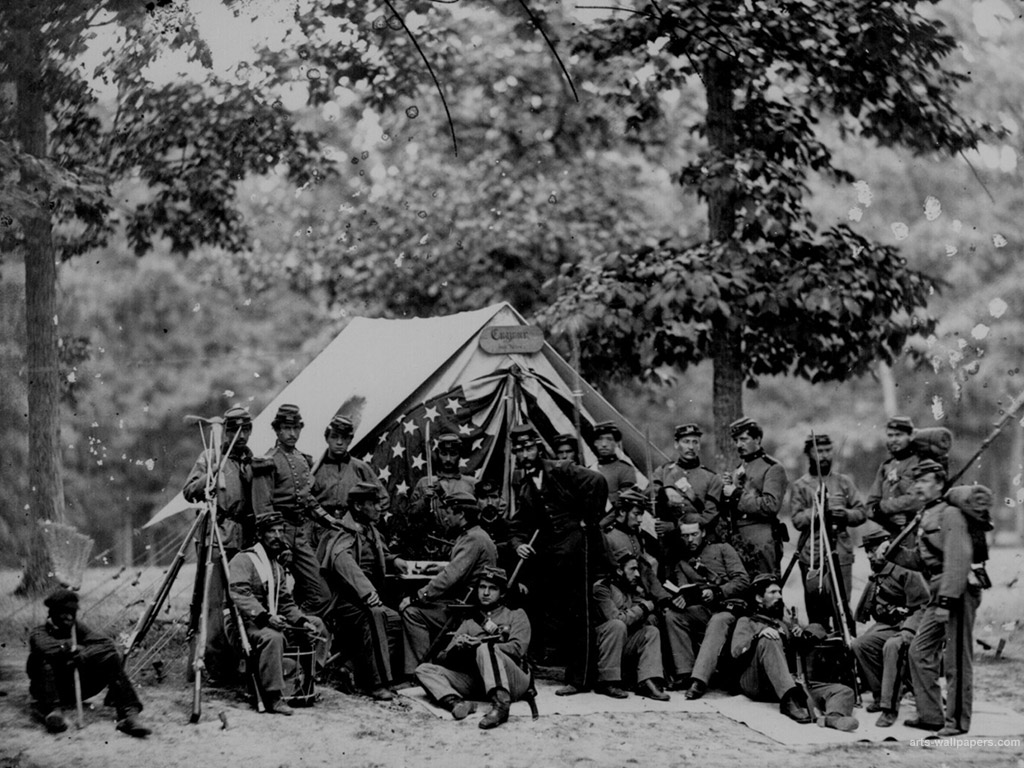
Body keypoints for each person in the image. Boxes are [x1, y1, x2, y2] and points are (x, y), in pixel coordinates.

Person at [507, 423, 609, 695]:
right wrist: (518, 545)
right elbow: (519, 525)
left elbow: (597, 482)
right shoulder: (526, 486)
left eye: (528, 447)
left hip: (580, 547)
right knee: (561, 611)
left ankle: (582, 680)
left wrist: (588, 520)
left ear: (537, 448)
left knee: (582, 612)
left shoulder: (560, 468)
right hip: (555, 555)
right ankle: (566, 670)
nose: (524, 453)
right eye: (519, 449)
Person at [181, 405, 256, 682]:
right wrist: (209, 475)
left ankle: (238, 663)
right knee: (211, 604)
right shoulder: (210, 456)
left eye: (245, 429)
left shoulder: (250, 461)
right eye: (234, 429)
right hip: (215, 536)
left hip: (244, 540)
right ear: (226, 431)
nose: (240, 434)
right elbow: (189, 491)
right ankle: (210, 666)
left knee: (240, 600)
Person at [905, 459, 980, 737]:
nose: (918, 486)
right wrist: (889, 554)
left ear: (939, 484)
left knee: (956, 659)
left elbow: (958, 559)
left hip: (957, 591)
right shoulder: (927, 514)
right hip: (939, 589)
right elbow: (923, 559)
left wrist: (947, 602)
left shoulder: (950, 514)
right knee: (919, 650)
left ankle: (958, 723)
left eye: (924, 481)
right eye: (917, 481)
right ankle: (931, 715)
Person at [228, 512, 329, 715]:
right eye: (271, 532)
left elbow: (285, 602)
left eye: (280, 531)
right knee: (273, 637)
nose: (277, 536)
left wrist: (301, 621)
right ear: (260, 535)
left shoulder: (276, 566)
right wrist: (267, 617)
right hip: (246, 623)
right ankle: (273, 696)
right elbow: (239, 595)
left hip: (271, 619)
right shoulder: (243, 559)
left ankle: (304, 681)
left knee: (316, 624)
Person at [318, 481, 407, 700]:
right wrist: (366, 592)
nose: (379, 508)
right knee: (374, 616)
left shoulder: (369, 529)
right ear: (358, 506)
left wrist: (393, 560)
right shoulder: (344, 530)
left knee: (394, 621)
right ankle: (374, 684)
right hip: (342, 599)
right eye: (374, 503)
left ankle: (349, 668)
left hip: (361, 597)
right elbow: (341, 559)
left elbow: (374, 554)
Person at [414, 566, 533, 729]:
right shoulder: (469, 622)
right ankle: (457, 703)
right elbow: (442, 658)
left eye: (492, 588)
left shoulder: (516, 615)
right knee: (423, 669)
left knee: (485, 648)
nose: (485, 593)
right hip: (479, 682)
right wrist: (458, 648)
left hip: (513, 681)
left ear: (502, 593)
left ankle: (501, 706)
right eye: (482, 587)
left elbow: (518, 649)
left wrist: (482, 645)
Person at [27, 589, 152, 737]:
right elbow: (46, 648)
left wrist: (82, 654)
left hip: (77, 688)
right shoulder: (39, 632)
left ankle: (129, 714)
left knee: (110, 657)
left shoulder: (78, 628)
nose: (69, 617)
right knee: (43, 659)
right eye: (64, 612)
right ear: (52, 613)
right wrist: (71, 648)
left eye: (72, 613)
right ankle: (52, 712)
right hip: (49, 691)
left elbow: (106, 644)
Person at [251, 403, 336, 617]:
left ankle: (296, 626)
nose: (291, 433)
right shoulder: (268, 461)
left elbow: (307, 498)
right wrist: (279, 545)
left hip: (300, 534)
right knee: (275, 595)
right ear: (277, 430)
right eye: (286, 428)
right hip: (277, 536)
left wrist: (327, 519)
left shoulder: (302, 460)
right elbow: (263, 509)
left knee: (322, 595)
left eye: (296, 428)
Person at [400, 491, 498, 674]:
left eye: (447, 512)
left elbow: (450, 578)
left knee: (412, 612)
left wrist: (416, 596)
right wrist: (440, 568)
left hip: (466, 611)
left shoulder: (472, 538)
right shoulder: (475, 535)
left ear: (460, 514)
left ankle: (419, 671)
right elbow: (461, 567)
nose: (444, 517)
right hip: (468, 604)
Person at [850, 523, 929, 728]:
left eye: (871, 550)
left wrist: (908, 630)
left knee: (893, 647)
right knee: (861, 644)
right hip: (890, 624)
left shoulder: (905, 569)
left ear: (886, 547)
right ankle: (879, 695)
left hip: (913, 625)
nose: (868, 555)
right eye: (866, 550)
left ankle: (889, 708)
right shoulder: (879, 569)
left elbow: (923, 605)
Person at [668, 513, 750, 699]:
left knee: (717, 620)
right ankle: (684, 672)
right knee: (673, 615)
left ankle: (699, 680)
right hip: (704, 609)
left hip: (729, 609)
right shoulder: (683, 562)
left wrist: (718, 592)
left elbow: (743, 580)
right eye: (685, 536)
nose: (690, 540)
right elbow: (683, 589)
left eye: (694, 534)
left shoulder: (723, 549)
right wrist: (680, 598)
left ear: (703, 532)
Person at [790, 433, 867, 630]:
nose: (824, 456)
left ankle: (846, 653)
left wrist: (844, 514)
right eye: (819, 451)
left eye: (827, 451)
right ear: (809, 454)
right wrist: (818, 510)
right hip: (812, 555)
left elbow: (861, 512)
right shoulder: (801, 485)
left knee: (842, 606)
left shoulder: (843, 482)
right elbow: (797, 520)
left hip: (840, 551)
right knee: (816, 610)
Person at [730, 574, 813, 724]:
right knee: (769, 638)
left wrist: (797, 636)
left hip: (775, 683)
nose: (779, 596)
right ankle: (788, 700)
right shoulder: (746, 621)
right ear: (759, 598)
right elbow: (736, 652)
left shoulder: (781, 624)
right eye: (773, 592)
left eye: (780, 592)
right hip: (753, 682)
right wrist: (757, 637)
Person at [592, 554, 671, 701]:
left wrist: (646, 607)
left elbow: (640, 610)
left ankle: (647, 681)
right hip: (600, 646)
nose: (637, 574)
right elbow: (616, 618)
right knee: (617, 625)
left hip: (622, 643)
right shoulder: (602, 588)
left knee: (651, 631)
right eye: (632, 569)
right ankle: (607, 681)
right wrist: (643, 607)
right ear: (620, 571)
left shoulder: (630, 588)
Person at [650, 423, 725, 570]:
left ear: (699, 446)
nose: (691, 447)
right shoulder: (663, 471)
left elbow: (709, 517)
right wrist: (665, 491)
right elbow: (648, 497)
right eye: (686, 442)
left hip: (698, 547)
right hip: (669, 547)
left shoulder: (712, 478)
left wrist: (676, 527)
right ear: (677, 444)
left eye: (695, 442)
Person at [721, 417, 789, 577]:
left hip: (761, 540)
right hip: (738, 542)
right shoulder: (738, 469)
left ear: (757, 439)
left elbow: (770, 505)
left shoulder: (772, 468)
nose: (739, 445)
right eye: (736, 440)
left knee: (766, 590)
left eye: (744, 439)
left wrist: (736, 494)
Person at [403, 431, 477, 559]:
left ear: (460, 456)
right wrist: (425, 500)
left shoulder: (471, 484)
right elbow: (411, 516)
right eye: (444, 454)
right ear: (437, 454)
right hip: (430, 548)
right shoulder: (425, 482)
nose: (448, 459)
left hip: (463, 547)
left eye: (453, 454)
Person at [314, 415, 387, 530]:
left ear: (350, 440)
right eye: (334, 437)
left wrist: (366, 524)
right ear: (327, 438)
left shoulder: (360, 468)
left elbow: (383, 498)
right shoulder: (314, 469)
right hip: (321, 527)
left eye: (344, 438)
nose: (339, 442)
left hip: (353, 528)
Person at [865, 416, 923, 538]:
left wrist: (881, 508)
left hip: (919, 533)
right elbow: (869, 507)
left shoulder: (921, 463)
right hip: (891, 536)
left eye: (899, 435)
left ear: (911, 436)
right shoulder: (885, 467)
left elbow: (916, 500)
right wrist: (889, 518)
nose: (894, 440)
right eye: (890, 436)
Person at [589, 421, 638, 509]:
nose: (604, 444)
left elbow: (626, 504)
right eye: (599, 439)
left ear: (616, 443)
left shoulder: (625, 469)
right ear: (595, 443)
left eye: (609, 439)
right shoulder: (589, 469)